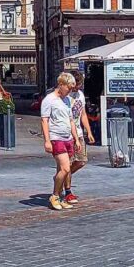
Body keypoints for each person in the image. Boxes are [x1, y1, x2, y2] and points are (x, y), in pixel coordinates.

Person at [40, 73, 81, 212]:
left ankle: (60, 197)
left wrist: (76, 138)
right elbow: (44, 120)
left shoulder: (68, 100)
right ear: (61, 85)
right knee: (65, 169)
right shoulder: (49, 100)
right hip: (56, 137)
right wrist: (47, 141)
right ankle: (55, 196)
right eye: (68, 88)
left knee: (62, 169)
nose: (69, 91)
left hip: (67, 137)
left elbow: (71, 120)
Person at [63, 73, 94, 205]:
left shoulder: (80, 95)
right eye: (75, 85)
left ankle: (62, 176)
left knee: (81, 161)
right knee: (67, 163)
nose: (77, 87)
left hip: (79, 133)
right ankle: (68, 192)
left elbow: (83, 114)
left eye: (79, 85)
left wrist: (89, 131)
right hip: (67, 134)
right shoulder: (63, 96)